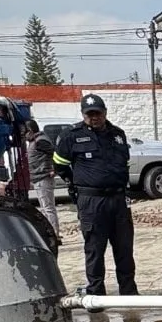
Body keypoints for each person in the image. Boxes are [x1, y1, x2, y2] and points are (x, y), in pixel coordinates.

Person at [55, 94, 138, 296]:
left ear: (104, 112)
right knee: (94, 248)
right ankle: (96, 292)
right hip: (91, 201)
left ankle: (128, 292)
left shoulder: (118, 135)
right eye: (89, 114)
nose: (94, 118)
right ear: (83, 115)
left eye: (97, 113)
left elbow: (124, 164)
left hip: (118, 200)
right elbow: (60, 165)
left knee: (124, 248)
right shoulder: (71, 136)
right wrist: (78, 185)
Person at [24, 119, 58, 234]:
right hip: (39, 177)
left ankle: (53, 234)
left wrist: (53, 169)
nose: (24, 135)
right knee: (45, 207)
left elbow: (55, 154)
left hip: (43, 177)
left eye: (25, 132)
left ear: (30, 130)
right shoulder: (34, 141)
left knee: (48, 208)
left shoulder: (41, 141)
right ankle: (51, 232)